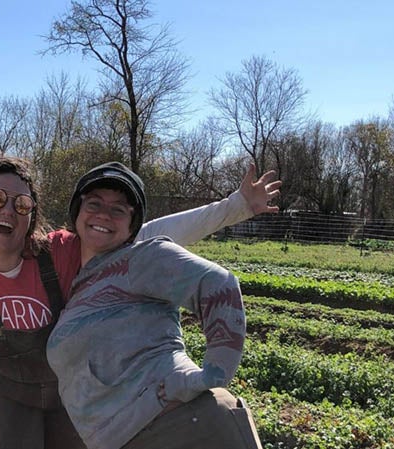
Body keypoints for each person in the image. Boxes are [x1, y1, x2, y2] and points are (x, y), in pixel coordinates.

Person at [0, 157, 278, 449]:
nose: (9, 209)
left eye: (22, 204)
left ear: (32, 219)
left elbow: (141, 234)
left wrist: (234, 207)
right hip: (6, 395)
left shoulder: (59, 251)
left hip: (73, 394)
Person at [46, 162, 263, 449]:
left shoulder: (140, 258)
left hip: (184, 428)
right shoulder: (79, 286)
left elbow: (218, 284)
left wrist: (213, 375)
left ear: (132, 224)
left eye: (118, 209)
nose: (104, 215)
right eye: (94, 204)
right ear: (77, 211)